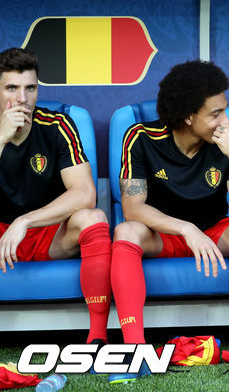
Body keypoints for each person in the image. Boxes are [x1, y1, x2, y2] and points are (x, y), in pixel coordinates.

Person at [110, 60, 229, 383]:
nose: (224, 120)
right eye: (215, 114)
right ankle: (134, 351)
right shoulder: (140, 137)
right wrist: (185, 228)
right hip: (162, 231)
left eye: (224, 110)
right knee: (126, 231)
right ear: (187, 116)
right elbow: (133, 208)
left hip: (213, 232)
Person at [0, 47, 112, 347]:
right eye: (12, 88)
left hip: (45, 233)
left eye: (30, 88)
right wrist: (1, 140)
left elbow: (85, 194)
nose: (22, 99)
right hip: (0, 236)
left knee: (93, 217)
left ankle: (97, 338)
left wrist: (25, 221)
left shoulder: (58, 125)